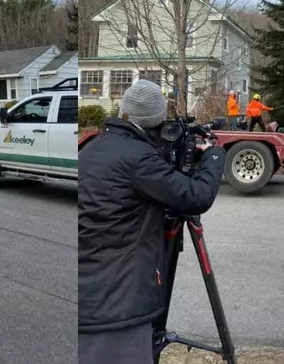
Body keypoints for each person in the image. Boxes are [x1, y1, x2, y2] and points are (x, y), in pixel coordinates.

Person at [78, 79, 228, 364]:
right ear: (155, 122)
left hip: (87, 294)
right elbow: (196, 196)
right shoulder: (138, 158)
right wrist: (213, 155)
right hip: (116, 310)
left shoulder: (92, 148)